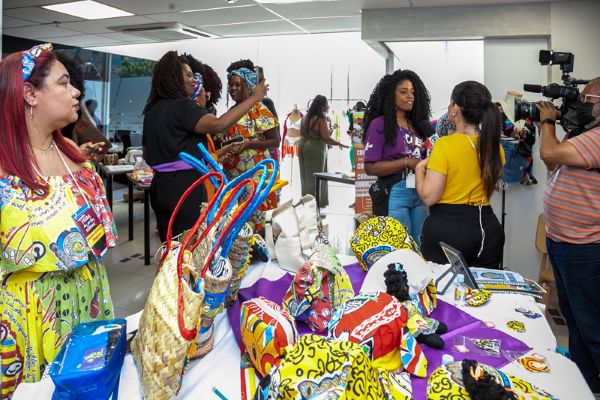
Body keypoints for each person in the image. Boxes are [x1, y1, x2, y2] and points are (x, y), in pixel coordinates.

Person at [0, 43, 117, 396]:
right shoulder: (5, 172)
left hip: (89, 301)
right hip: (33, 316)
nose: (76, 91)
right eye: (64, 83)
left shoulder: (75, 159)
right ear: (30, 94)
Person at [143, 51, 268, 242]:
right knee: (192, 247)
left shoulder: (152, 111)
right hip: (186, 188)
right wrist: (255, 97)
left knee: (170, 247)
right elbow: (218, 124)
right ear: (174, 77)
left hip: (160, 187)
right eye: (188, 75)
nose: (193, 80)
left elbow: (147, 153)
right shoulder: (182, 106)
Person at [537, 78, 600, 393]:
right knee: (573, 320)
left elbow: (549, 151)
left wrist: (548, 121)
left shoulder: (598, 138)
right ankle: (584, 385)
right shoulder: (583, 135)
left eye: (586, 100)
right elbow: (551, 160)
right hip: (563, 242)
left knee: (591, 326)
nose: (579, 106)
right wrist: (545, 127)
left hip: (584, 248)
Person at [416, 81, 505, 268]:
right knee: (483, 286)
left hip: (448, 231)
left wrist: (419, 169)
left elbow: (429, 197)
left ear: (456, 108)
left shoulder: (445, 145)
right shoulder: (495, 147)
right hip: (488, 230)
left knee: (444, 287)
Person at [363, 70, 431, 247]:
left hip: (419, 190)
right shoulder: (380, 124)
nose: (410, 96)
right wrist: (406, 162)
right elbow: (370, 167)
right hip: (395, 191)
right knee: (400, 246)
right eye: (403, 92)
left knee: (420, 246)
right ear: (390, 95)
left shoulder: (417, 126)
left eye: (413, 92)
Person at [214, 59, 279, 232]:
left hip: (255, 176)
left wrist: (249, 144)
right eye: (230, 85)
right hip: (233, 177)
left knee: (254, 222)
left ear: (248, 85)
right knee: (236, 223)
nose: (233, 88)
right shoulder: (230, 114)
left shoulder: (258, 109)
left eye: (237, 84)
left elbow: (275, 140)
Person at [298, 95, 349, 208]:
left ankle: (306, 201)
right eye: (326, 104)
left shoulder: (305, 117)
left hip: (303, 146)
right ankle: (315, 203)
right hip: (315, 148)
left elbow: (304, 133)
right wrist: (339, 143)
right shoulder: (321, 119)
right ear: (321, 106)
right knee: (317, 175)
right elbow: (326, 139)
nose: (328, 106)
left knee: (305, 176)